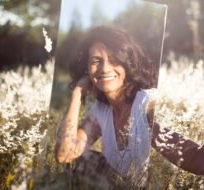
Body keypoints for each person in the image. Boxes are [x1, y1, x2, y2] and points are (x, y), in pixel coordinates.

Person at [55, 26, 158, 188]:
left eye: (114, 59)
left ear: (127, 64)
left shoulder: (148, 102)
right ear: (86, 69)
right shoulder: (100, 111)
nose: (104, 69)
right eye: (96, 61)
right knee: (84, 161)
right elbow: (64, 155)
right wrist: (77, 94)